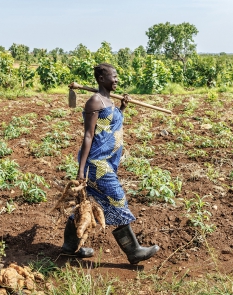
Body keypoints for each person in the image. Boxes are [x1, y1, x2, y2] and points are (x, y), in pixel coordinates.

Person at [61, 63, 160, 264]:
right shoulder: (95, 102)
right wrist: (81, 169)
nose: (116, 80)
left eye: (116, 76)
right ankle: (134, 251)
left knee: (83, 204)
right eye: (112, 77)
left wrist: (122, 107)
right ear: (101, 79)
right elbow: (88, 135)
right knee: (117, 199)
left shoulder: (108, 101)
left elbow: (110, 124)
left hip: (107, 162)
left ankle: (69, 247)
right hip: (96, 164)